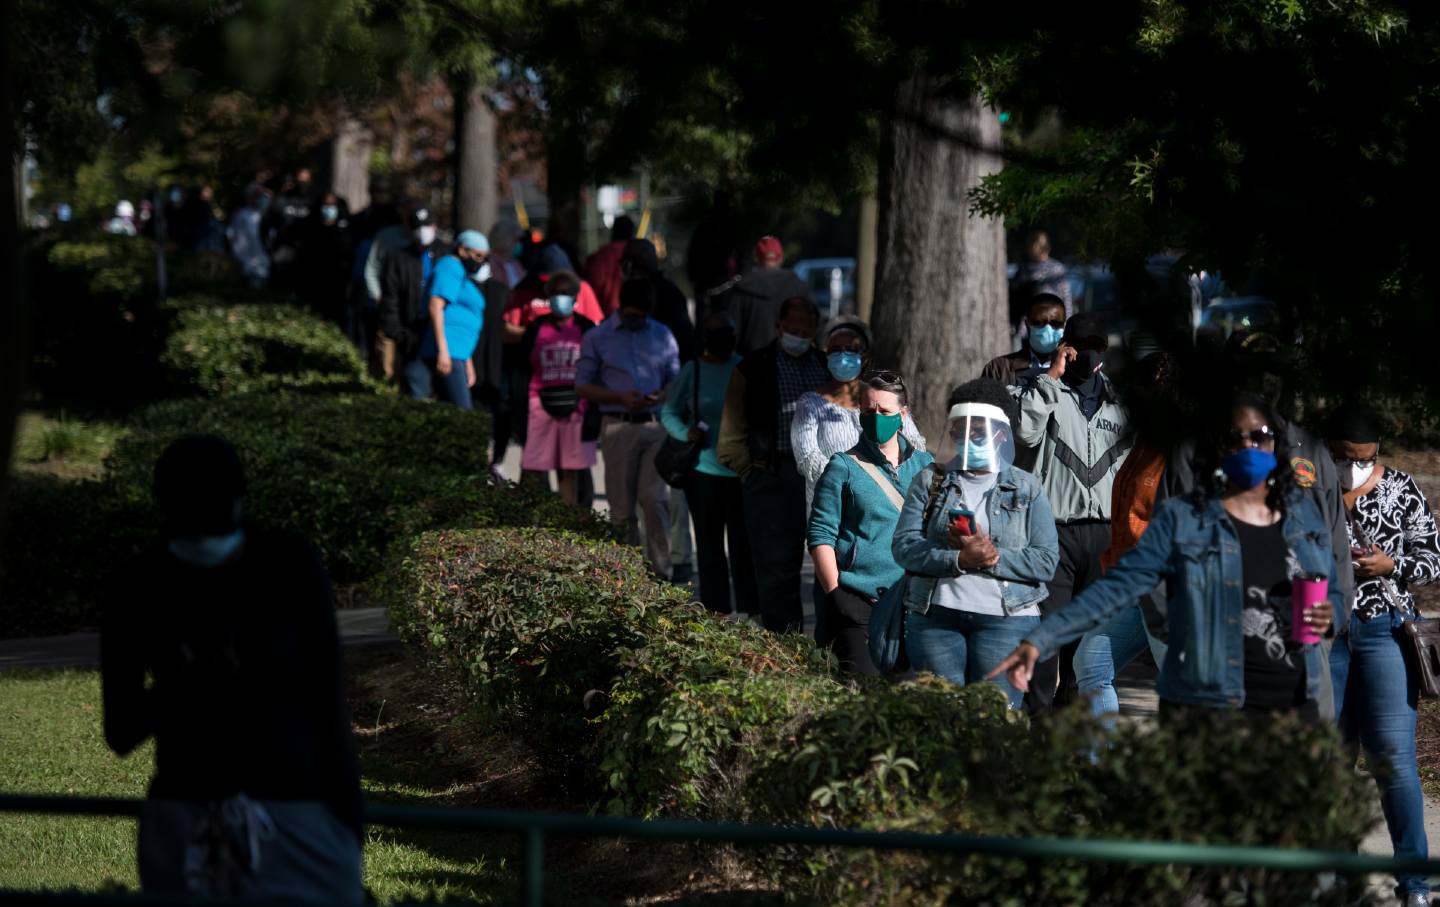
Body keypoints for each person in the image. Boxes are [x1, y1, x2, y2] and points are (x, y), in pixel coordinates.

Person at [101, 437, 362, 903]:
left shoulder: (137, 582)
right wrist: (347, 822)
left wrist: (183, 678)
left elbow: (122, 730)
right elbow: (328, 700)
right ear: (241, 495)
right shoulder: (288, 563)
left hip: (200, 807)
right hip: (269, 807)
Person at [993, 393, 1342, 726]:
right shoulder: (1184, 519)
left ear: (1275, 445)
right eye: (1235, 437)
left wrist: (1330, 615)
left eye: (1260, 436)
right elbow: (1119, 585)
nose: (1248, 446)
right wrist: (1040, 640)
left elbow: (1334, 590)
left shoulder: (1304, 518)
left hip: (1296, 704)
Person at [1162, 330, 1355, 718]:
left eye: (1272, 371)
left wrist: (1331, 620)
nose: (1263, 382)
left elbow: (1336, 550)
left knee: (1301, 765)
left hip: (1302, 647)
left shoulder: (1311, 452)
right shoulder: (1195, 453)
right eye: (1251, 371)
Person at [1325, 403, 1439, 907]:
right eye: (1346, 457)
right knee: (1329, 760)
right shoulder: (1307, 488)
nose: (1356, 465)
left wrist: (1393, 564)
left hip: (1384, 633)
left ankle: (1414, 884)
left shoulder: (1402, 490)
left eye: (1365, 458)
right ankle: (1332, 878)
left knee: (1394, 760)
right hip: (1323, 636)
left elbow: (1434, 559)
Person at [890, 379, 1059, 705]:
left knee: (994, 721)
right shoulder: (931, 479)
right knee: (941, 719)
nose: (967, 440)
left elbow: (1046, 560)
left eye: (977, 432)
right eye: (958, 431)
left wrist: (991, 558)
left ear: (1000, 434)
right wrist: (957, 561)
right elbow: (904, 546)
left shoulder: (1027, 486)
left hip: (1007, 623)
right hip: (935, 618)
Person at [1015, 311, 1130, 713]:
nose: (1091, 356)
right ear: (1067, 348)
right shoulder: (1042, 388)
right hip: (1054, 532)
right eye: (1083, 348)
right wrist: (1050, 377)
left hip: (1103, 534)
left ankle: (1073, 730)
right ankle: (1040, 729)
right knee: (1048, 634)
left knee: (1087, 644)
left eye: (1099, 348)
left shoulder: (1119, 401)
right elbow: (1025, 434)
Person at [1072, 351, 1184, 716]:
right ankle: (1102, 768)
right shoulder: (1147, 444)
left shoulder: (1183, 450)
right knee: (1090, 664)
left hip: (1166, 589)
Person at [809, 370, 935, 674]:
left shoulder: (926, 466)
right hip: (859, 600)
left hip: (912, 601)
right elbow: (820, 534)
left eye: (885, 411)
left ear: (903, 415)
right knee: (865, 689)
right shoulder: (842, 467)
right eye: (868, 411)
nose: (876, 417)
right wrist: (836, 593)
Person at [717, 296, 829, 631]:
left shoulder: (824, 365)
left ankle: (828, 642)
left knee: (828, 559)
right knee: (776, 565)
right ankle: (784, 642)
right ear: (778, 327)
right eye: (792, 328)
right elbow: (732, 428)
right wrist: (751, 471)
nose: (798, 334)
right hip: (773, 473)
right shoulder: (753, 367)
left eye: (805, 329)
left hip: (821, 475)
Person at [576, 279, 682, 578]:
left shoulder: (661, 333)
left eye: (643, 315)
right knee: (621, 508)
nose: (639, 321)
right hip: (618, 426)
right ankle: (628, 577)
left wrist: (663, 393)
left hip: (654, 425)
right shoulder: (598, 337)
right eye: (634, 315)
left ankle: (663, 575)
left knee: (655, 501)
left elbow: (676, 377)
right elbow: (582, 385)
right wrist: (617, 397)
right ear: (621, 308)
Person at [661, 312, 758, 615]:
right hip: (702, 471)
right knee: (709, 546)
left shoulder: (744, 367)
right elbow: (669, 412)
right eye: (716, 333)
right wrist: (684, 432)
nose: (723, 338)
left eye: (727, 331)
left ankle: (749, 610)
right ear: (705, 339)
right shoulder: (693, 371)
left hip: (740, 471)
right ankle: (717, 612)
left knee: (743, 546)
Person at [623, 236, 699, 582]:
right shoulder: (648, 293)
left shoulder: (664, 296)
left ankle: (677, 556)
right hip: (659, 400)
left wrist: (676, 391)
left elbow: (684, 345)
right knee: (656, 490)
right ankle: (671, 556)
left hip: (671, 400)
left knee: (670, 484)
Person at [792, 316, 925, 513]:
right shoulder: (810, 404)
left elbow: (915, 443)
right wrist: (855, 480)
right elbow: (807, 459)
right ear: (826, 355)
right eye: (835, 350)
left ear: (864, 356)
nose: (843, 355)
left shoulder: (884, 399)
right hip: (834, 509)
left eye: (851, 349)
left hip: (884, 508)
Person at [519, 271, 598, 505]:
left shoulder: (586, 328)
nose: (560, 298)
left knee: (571, 469)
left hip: (577, 408)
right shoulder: (536, 328)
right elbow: (523, 369)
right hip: (539, 405)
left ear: (575, 298)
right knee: (535, 468)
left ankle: (571, 520)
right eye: (555, 294)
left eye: (565, 294)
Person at [379, 211, 452, 399]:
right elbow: (390, 298)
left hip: (444, 332)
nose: (423, 231)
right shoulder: (398, 258)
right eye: (418, 227)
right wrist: (397, 332)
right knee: (416, 384)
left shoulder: (447, 255)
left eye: (427, 225)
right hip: (412, 333)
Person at [418, 230, 490, 409]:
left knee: (453, 409)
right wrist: (443, 351)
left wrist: (468, 361)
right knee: (463, 411)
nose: (480, 261)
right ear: (463, 250)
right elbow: (436, 305)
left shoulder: (461, 273)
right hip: (449, 351)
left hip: (458, 352)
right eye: (477, 255)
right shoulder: (450, 266)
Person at [364, 203, 426, 381]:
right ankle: (386, 383)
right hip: (388, 303)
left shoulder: (426, 243)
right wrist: (377, 297)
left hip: (413, 308)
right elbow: (372, 268)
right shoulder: (386, 237)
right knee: (386, 345)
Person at [723, 236, 811, 356]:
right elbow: (813, 323)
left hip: (750, 362)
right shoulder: (797, 286)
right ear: (781, 258)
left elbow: (732, 329)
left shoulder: (742, 288)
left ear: (757, 258)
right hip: (791, 360)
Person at [981, 293, 1067, 388]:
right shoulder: (998, 369)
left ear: (1064, 325)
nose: (1047, 328)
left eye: (1055, 323)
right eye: (1038, 322)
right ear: (1027, 324)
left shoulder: (1077, 371)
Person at [1008, 230, 1072, 348]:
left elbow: (1066, 298)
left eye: (1036, 247)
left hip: (1052, 327)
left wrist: (1067, 324)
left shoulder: (1056, 269)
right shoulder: (1023, 270)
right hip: (1029, 329)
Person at [585, 215, 636, 316]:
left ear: (613, 231)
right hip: (635, 317)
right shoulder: (637, 254)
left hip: (604, 317)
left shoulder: (600, 256)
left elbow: (591, 288)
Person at [226, 187, 271, 289]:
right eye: (257, 196)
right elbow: (231, 236)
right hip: (244, 261)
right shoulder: (241, 215)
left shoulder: (264, 215)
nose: (261, 199)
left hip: (261, 262)